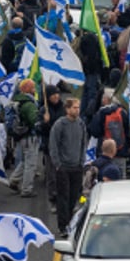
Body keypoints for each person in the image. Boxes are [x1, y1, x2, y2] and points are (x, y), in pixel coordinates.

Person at [49, 97, 87, 237]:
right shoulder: (60, 125)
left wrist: (81, 161)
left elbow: (84, 143)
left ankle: (71, 223)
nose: (77, 110)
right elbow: (53, 145)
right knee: (63, 198)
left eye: (78, 107)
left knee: (73, 198)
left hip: (77, 166)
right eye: (74, 107)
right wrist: (58, 165)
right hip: (63, 167)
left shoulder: (81, 124)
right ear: (67, 109)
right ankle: (63, 226)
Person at [7, 80, 42, 198]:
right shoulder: (29, 104)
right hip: (30, 137)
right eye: (33, 87)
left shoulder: (17, 101)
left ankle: (13, 180)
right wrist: (43, 121)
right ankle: (26, 189)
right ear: (26, 88)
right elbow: (34, 121)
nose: (35, 90)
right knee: (30, 164)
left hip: (20, 136)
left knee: (24, 161)